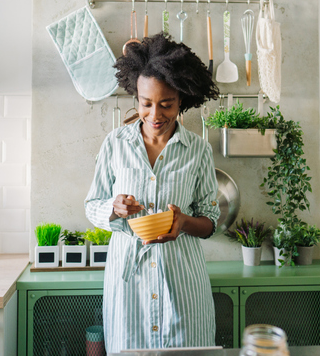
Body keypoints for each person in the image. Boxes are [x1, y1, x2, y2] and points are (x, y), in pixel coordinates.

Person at [85, 33, 221, 353]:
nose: (155, 115)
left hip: (182, 286)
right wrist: (113, 207)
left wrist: (184, 222)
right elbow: (92, 205)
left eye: (166, 104)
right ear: (136, 99)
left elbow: (211, 221)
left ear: (182, 100)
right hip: (129, 287)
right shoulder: (115, 144)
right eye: (146, 104)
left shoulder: (197, 150)